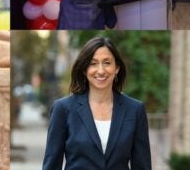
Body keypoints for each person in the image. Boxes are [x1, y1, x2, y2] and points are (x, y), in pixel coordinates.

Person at [42, 37, 151, 170]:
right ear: (84, 70)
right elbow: (51, 165)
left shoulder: (135, 110)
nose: (100, 70)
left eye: (107, 62)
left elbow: (142, 166)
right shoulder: (63, 109)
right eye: (93, 63)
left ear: (116, 68)